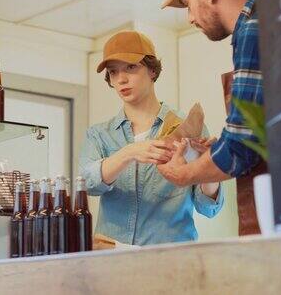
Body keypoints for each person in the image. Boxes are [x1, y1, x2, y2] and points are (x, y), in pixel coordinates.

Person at [79, 31, 223, 245]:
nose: (122, 79)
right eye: (113, 72)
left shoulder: (188, 127)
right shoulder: (99, 135)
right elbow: (87, 184)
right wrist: (128, 153)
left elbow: (208, 208)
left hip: (170, 261)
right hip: (112, 262)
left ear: (152, 70)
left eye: (131, 67)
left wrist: (209, 169)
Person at [159, 0, 265, 235]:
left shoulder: (253, 28)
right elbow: (263, 133)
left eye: (187, 5)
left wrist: (183, 174)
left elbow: (242, 146)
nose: (191, 18)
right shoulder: (267, 20)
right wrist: (220, 148)